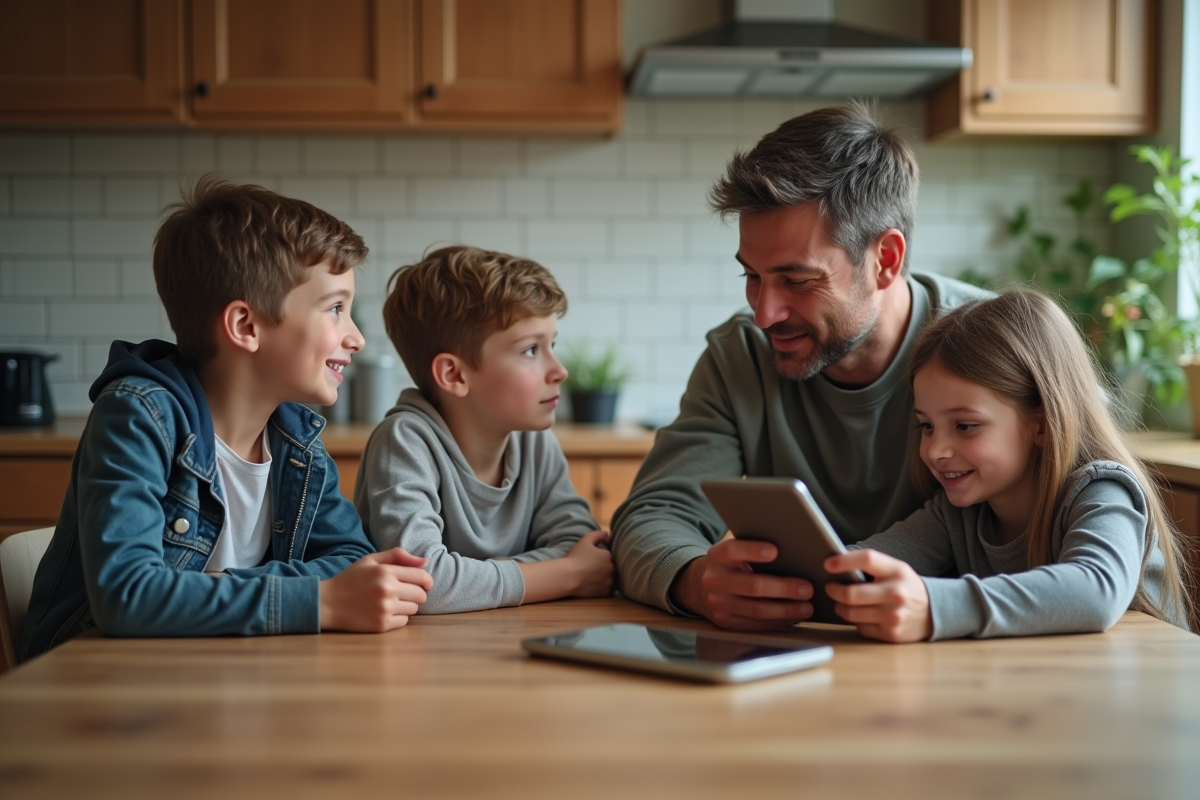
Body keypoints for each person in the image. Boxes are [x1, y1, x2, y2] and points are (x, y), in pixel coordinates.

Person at [610, 103, 990, 630]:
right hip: (784, 658)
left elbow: (1085, 534)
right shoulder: (737, 357)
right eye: (752, 276)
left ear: (885, 259)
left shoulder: (995, 348)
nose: (764, 313)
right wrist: (693, 580)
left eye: (797, 280)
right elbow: (653, 517)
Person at [21, 177, 433, 662]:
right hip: (93, 686)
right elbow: (127, 596)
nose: (356, 338)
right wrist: (319, 599)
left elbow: (353, 561)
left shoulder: (295, 436)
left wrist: (200, 591)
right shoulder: (138, 417)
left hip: (218, 673)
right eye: (336, 309)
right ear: (246, 326)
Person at [824, 289, 1195, 641]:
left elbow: (1095, 589)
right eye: (927, 426)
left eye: (965, 426)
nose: (936, 450)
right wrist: (791, 585)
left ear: (1042, 423)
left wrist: (936, 607)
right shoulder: (959, 514)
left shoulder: (1102, 490)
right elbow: (859, 568)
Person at [355, 245, 613, 613]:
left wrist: (475, 582)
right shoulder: (404, 442)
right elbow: (423, 583)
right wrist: (567, 574)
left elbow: (584, 547)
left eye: (551, 344)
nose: (560, 370)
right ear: (454, 375)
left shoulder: (536, 442)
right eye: (530, 350)